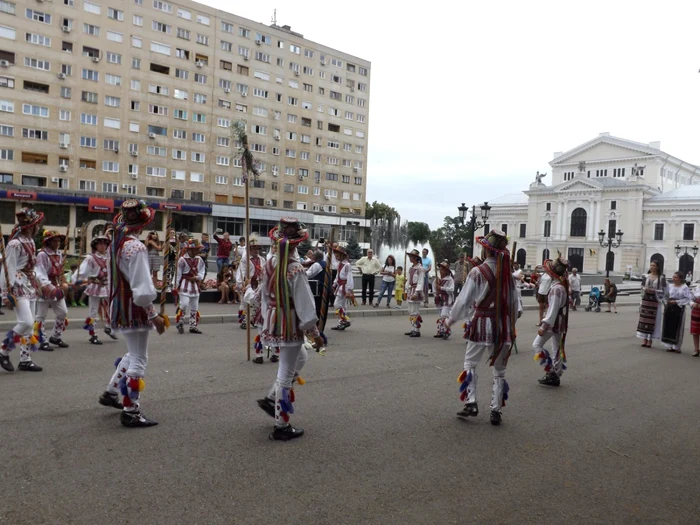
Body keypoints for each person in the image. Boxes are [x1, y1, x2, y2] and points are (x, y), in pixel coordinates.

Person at [98, 199, 167, 427]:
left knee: (132, 352)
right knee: (139, 358)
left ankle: (111, 391)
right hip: (135, 309)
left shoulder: (117, 243)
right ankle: (131, 410)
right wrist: (152, 314)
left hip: (120, 305)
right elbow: (142, 288)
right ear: (143, 223)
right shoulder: (135, 247)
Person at [255, 217, 324, 441]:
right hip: (289, 322)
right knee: (285, 370)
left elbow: (262, 294)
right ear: (296, 244)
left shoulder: (270, 263)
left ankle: (273, 397)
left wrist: (260, 313)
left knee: (300, 358)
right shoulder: (294, 269)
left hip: (275, 319)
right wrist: (315, 335)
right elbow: (305, 305)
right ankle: (281, 423)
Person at [447, 230, 520, 426]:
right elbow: (515, 305)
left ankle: (471, 402)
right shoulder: (508, 276)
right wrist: (511, 326)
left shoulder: (477, 272)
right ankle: (495, 411)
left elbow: (463, 301)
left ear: (486, 250)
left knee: (470, 363)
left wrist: (450, 319)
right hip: (502, 325)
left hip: (480, 323)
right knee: (500, 371)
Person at [0, 208, 54, 372]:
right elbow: (7, 268)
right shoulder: (15, 244)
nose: (39, 228)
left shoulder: (30, 242)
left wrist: (41, 283)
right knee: (26, 322)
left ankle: (25, 359)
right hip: (17, 286)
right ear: (31, 226)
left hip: (30, 285)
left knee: (29, 327)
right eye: (37, 225)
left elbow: (32, 267)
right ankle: (3, 351)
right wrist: (4, 292)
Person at [240, 235, 278, 364]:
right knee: (266, 325)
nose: (256, 251)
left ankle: (264, 353)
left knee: (263, 325)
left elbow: (264, 274)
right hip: (254, 288)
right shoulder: (245, 260)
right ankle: (272, 352)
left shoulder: (263, 260)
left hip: (260, 291)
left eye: (257, 248)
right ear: (249, 249)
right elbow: (241, 275)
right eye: (253, 248)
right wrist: (244, 284)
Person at [533, 257, 570, 387]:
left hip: (553, 321)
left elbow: (552, 310)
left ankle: (552, 372)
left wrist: (544, 325)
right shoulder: (560, 286)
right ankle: (556, 373)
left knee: (537, 345)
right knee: (556, 349)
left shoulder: (556, 289)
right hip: (559, 321)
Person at [34, 230, 70, 351]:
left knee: (62, 312)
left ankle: (55, 336)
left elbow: (60, 271)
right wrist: (50, 288)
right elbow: (40, 273)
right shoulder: (42, 254)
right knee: (41, 315)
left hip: (56, 286)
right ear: (48, 242)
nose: (58, 243)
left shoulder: (59, 254)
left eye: (59, 240)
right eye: (55, 240)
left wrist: (64, 282)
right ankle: (42, 340)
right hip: (44, 287)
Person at [79, 233, 116, 345]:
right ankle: (93, 334)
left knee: (112, 308)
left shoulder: (110, 257)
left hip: (108, 286)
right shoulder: (91, 258)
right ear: (95, 246)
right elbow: (82, 272)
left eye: (105, 243)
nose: (103, 246)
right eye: (100, 243)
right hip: (95, 286)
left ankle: (108, 326)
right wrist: (79, 279)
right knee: (93, 311)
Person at [175, 238, 205, 335]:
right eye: (196, 249)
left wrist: (197, 277)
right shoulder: (182, 260)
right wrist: (175, 285)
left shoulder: (199, 259)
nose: (197, 251)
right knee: (184, 304)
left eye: (198, 249)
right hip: (184, 284)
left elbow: (202, 271)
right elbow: (178, 273)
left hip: (195, 286)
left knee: (195, 306)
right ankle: (180, 322)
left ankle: (193, 326)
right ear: (189, 250)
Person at [637, 261, 667, 348]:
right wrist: (645, 289)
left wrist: (655, 291)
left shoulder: (661, 278)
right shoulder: (646, 276)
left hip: (655, 300)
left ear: (657, 267)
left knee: (653, 320)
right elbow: (641, 287)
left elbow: (664, 290)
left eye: (653, 265)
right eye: (650, 265)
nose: (651, 267)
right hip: (646, 300)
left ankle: (650, 339)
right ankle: (644, 338)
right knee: (644, 319)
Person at [661, 272, 691, 353]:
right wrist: (666, 301)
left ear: (680, 279)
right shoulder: (670, 286)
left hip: (679, 309)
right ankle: (669, 345)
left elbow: (688, 299)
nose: (673, 279)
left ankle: (676, 346)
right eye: (673, 277)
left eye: (675, 277)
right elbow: (665, 295)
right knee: (668, 326)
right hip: (669, 308)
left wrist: (677, 301)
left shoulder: (684, 287)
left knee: (678, 326)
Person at [331, 245, 354, 331]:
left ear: (342, 255)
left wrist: (349, 290)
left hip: (344, 288)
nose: (336, 257)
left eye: (337, 255)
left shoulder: (347, 265)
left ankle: (343, 321)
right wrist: (334, 284)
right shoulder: (340, 264)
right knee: (342, 305)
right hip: (340, 286)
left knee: (337, 304)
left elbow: (349, 277)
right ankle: (342, 322)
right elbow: (338, 276)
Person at [405, 249, 426, 337]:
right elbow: (408, 280)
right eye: (410, 256)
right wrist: (406, 290)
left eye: (412, 257)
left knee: (415, 311)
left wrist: (416, 293)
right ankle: (412, 328)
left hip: (415, 290)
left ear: (416, 258)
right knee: (410, 310)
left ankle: (417, 330)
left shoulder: (420, 269)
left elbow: (421, 281)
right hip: (410, 290)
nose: (410, 258)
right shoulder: (411, 268)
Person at [434, 261, 455, 339]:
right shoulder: (438, 279)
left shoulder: (450, 279)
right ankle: (441, 331)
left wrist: (441, 288)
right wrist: (435, 293)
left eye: (442, 269)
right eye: (440, 269)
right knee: (440, 315)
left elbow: (451, 289)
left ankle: (447, 331)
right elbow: (434, 287)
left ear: (446, 271)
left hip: (447, 299)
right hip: (439, 299)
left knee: (444, 315)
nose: (440, 271)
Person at [306, 250, 326, 319]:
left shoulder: (317, 265)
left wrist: (301, 271)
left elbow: (309, 275)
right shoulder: (324, 263)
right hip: (323, 287)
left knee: (317, 306)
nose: (311, 256)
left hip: (318, 289)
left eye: (312, 255)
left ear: (315, 257)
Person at [690, 285, 700, 357]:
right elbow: (690, 299)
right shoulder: (696, 288)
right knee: (695, 331)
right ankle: (696, 349)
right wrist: (693, 304)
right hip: (696, 311)